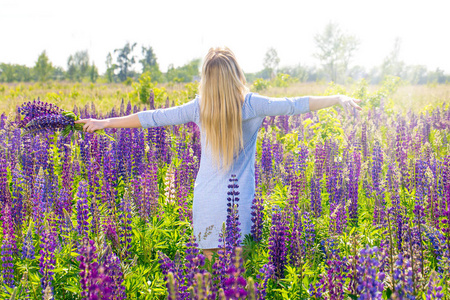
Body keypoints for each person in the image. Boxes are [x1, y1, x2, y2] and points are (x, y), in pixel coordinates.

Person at [75, 47, 362, 261]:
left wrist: (106, 122)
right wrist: (338, 98)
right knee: (237, 282)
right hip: (239, 207)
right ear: (237, 74)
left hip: (206, 202)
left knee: (210, 282)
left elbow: (154, 117)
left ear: (206, 80)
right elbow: (294, 104)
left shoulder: (200, 107)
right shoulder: (251, 105)